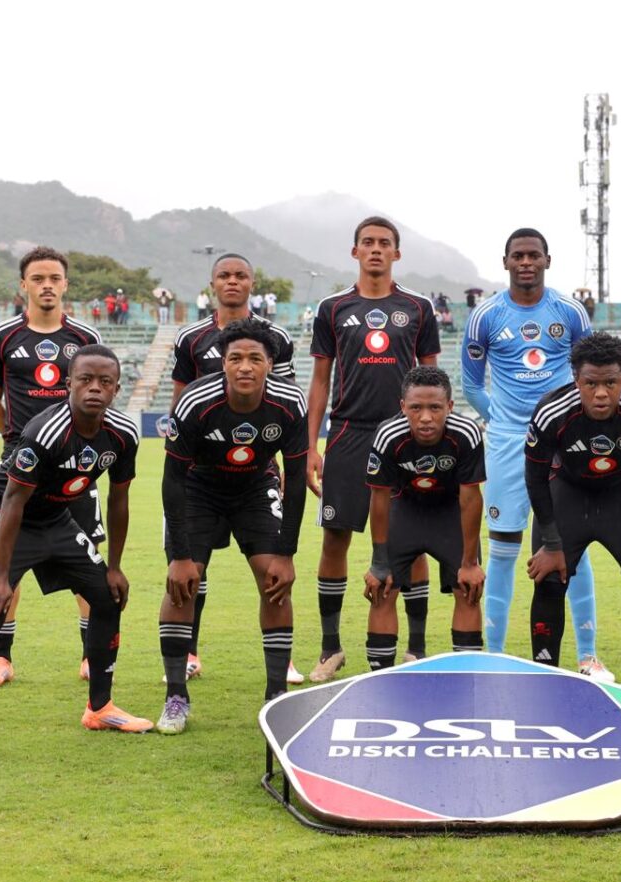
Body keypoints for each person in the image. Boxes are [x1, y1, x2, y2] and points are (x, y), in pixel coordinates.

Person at [0, 345, 148, 761]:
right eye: (86, 380)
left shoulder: (124, 434)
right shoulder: (46, 430)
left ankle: (99, 708)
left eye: (105, 382)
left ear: (117, 388)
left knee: (107, 597)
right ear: (68, 383)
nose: (95, 388)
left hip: (55, 519)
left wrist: (114, 566)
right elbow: (13, 500)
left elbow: (119, 499)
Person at [461, 228, 606, 677]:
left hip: (562, 442)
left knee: (571, 546)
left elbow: (590, 371)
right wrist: (505, 420)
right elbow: (471, 384)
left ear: (547, 260)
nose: (526, 262)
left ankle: (587, 655)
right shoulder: (485, 316)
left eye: (534, 255)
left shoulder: (570, 312)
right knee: (503, 547)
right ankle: (495, 655)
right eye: (518, 255)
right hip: (506, 444)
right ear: (505, 261)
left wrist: (561, 421)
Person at [156, 319, 308, 734]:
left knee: (274, 579)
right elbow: (172, 479)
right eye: (235, 358)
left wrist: (287, 554)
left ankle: (276, 696)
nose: (245, 366)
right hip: (198, 488)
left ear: (270, 364)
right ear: (222, 363)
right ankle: (176, 696)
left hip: (255, 487)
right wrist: (180, 556)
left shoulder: (290, 401)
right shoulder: (195, 400)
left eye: (255, 358)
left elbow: (296, 480)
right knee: (183, 583)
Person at [306, 216, 441, 682]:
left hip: (405, 437)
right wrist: (311, 445)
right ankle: (330, 648)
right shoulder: (333, 308)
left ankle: (416, 649)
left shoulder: (418, 307)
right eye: (368, 242)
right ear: (355, 251)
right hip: (348, 434)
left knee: (412, 539)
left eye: (385, 243)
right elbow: (320, 380)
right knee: (335, 537)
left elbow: (433, 378)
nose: (376, 249)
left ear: (397, 253)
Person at [0, 246, 103, 685]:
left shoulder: (85, 337)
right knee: (6, 563)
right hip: (21, 465)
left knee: (88, 561)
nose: (46, 285)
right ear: (23, 285)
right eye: (38, 278)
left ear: (65, 284)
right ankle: (1, 658)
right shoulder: (1, 337)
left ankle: (90, 655)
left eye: (54, 278)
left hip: (75, 467)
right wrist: (15, 439)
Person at [169, 253, 298, 684]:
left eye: (241, 275)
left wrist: (282, 462)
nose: (232, 281)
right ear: (212, 283)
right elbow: (179, 400)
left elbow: (286, 405)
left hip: (255, 472)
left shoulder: (277, 338)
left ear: (252, 282)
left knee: (273, 573)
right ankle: (187, 656)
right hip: (200, 473)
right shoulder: (190, 339)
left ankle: (281, 667)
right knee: (190, 572)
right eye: (224, 275)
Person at [524, 333, 621, 691]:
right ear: (577, 380)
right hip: (567, 493)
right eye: (591, 383)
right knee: (548, 578)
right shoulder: (551, 410)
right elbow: (535, 478)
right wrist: (551, 544)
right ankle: (545, 689)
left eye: (611, 383)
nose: (601, 393)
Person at [362, 367, 486, 668]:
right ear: (403, 406)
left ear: (450, 406)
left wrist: (470, 563)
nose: (426, 417)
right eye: (416, 408)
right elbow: (379, 497)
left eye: (435, 408)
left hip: (450, 513)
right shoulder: (388, 434)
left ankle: (466, 676)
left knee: (469, 590)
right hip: (404, 509)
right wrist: (378, 561)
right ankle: (380, 678)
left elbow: (471, 498)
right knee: (382, 588)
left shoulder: (466, 433)